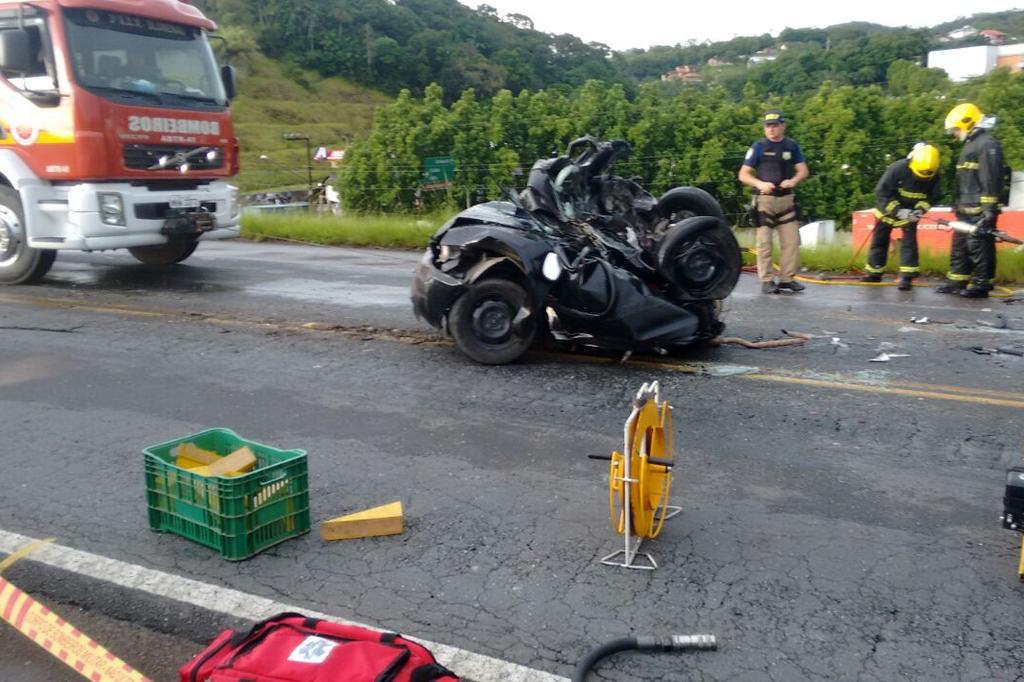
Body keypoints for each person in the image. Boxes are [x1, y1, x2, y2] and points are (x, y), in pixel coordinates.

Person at [935, 102, 1006, 298]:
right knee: (960, 246)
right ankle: (957, 281)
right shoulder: (970, 145)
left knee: (979, 246)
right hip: (965, 209)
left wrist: (989, 208)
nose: (955, 134)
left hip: (979, 210)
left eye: (956, 129)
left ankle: (982, 284)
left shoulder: (987, 144)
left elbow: (990, 178)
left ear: (968, 123)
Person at [739, 110, 810, 294]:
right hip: (765, 200)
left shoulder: (791, 146)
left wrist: (793, 181)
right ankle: (767, 280)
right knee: (764, 243)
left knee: (792, 242)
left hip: (786, 200)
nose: (771, 129)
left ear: (783, 126)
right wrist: (760, 183)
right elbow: (743, 174)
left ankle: (787, 279)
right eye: (768, 126)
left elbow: (803, 170)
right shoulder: (759, 146)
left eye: (775, 125)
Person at [860, 143, 942, 290]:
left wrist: (919, 211)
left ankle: (906, 277)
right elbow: (881, 192)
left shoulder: (934, 175)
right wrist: (897, 210)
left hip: (910, 214)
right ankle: (874, 273)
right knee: (879, 241)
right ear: (912, 163)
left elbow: (932, 198)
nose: (923, 177)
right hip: (887, 211)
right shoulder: (897, 169)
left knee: (909, 244)